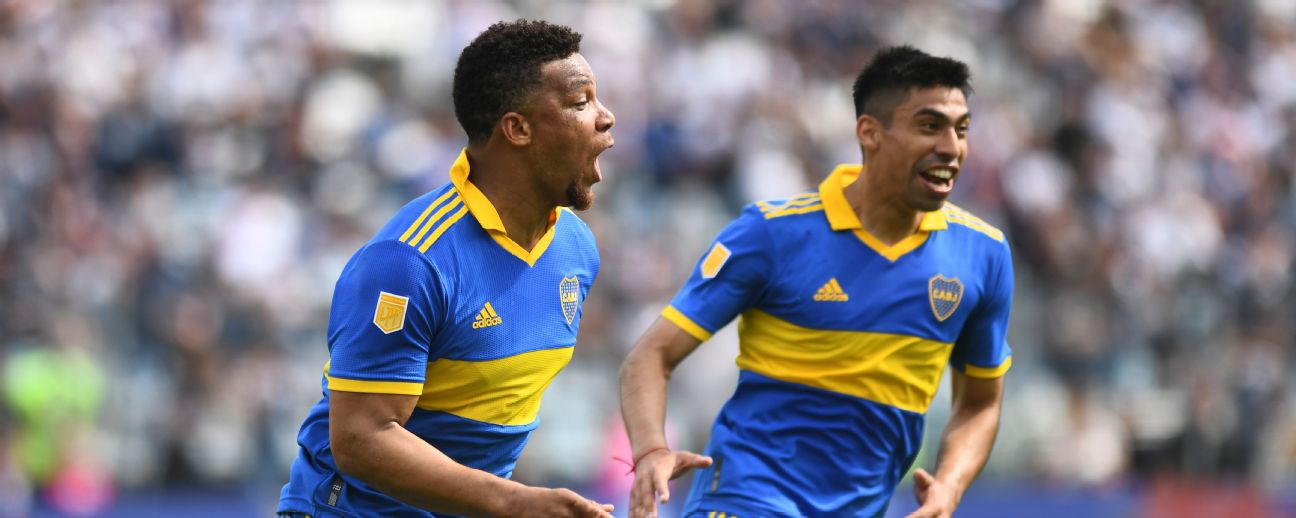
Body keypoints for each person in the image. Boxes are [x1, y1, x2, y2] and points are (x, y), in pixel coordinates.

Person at [619, 45, 1013, 518]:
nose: (951, 147)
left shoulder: (983, 254)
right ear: (870, 133)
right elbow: (650, 355)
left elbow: (980, 404)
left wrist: (949, 486)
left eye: (961, 129)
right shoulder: (772, 233)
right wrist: (650, 452)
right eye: (930, 126)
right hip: (746, 499)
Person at [277, 19, 616, 517]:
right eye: (581, 101)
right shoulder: (409, 261)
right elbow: (360, 438)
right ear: (518, 129)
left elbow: (484, 425)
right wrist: (515, 502)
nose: (605, 117)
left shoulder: (576, 249)